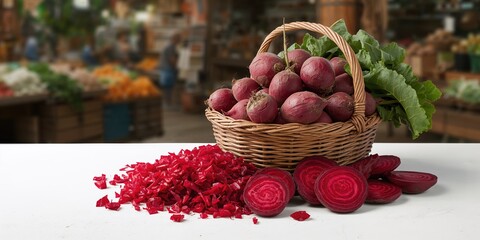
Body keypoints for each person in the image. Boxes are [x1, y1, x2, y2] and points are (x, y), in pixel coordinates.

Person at [159, 33, 181, 109]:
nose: (179, 41)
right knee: (168, 87)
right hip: (168, 69)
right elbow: (172, 60)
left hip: (165, 69)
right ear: (175, 39)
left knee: (166, 87)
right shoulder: (171, 47)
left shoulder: (168, 46)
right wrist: (177, 66)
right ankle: (167, 103)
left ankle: (167, 103)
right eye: (178, 39)